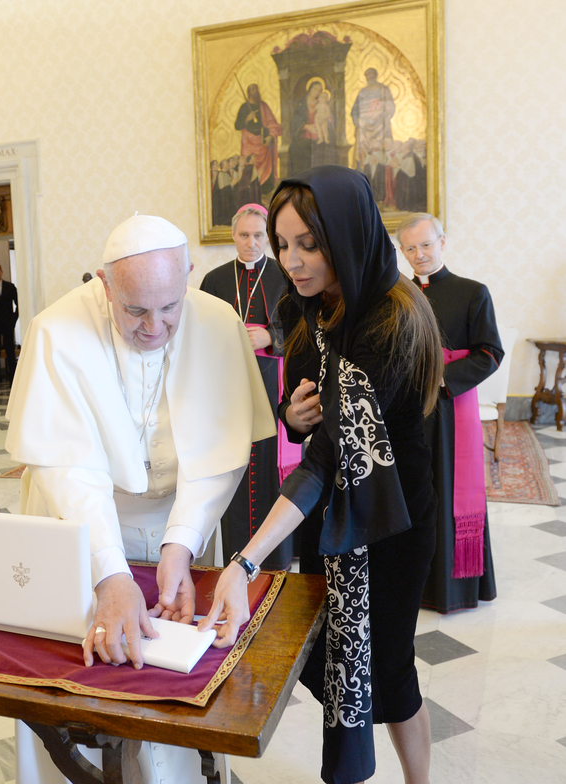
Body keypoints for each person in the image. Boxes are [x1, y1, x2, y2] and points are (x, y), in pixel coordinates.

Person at [5, 214, 275, 784]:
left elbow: (219, 453)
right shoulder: (58, 331)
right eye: (135, 311)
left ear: (189, 277)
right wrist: (110, 573)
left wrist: (181, 541)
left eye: (170, 306)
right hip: (79, 528)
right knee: (77, 673)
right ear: (105, 286)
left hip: (179, 517)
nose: (156, 326)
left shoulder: (218, 322)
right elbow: (70, 470)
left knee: (176, 669)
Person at [199, 165, 444, 784]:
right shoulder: (302, 309)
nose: (294, 260)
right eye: (283, 245)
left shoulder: (394, 320)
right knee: (332, 651)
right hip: (331, 518)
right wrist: (293, 412)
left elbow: (330, 452)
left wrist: (246, 560)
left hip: (391, 515)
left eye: (310, 244)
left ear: (348, 235)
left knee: (389, 661)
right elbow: (304, 416)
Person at [397, 213, 503, 614]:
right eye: (410, 247)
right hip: (405, 411)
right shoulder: (397, 293)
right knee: (412, 492)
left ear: (443, 242)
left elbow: (490, 352)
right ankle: (413, 585)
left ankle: (450, 590)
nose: (419, 254)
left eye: (426, 244)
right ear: (402, 251)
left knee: (447, 492)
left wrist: (440, 379)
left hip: (448, 409)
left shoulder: (473, 292)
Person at [200, 204, 294, 570]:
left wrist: (271, 336)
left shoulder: (286, 276)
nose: (251, 243)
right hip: (228, 388)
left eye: (258, 236)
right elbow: (201, 330)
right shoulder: (215, 280)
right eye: (244, 235)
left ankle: (276, 559)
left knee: (269, 470)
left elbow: (304, 325)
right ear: (234, 236)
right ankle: (235, 556)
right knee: (233, 467)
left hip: (273, 389)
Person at [234, 82, 282, 194]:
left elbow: (272, 123)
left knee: (265, 169)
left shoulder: (263, 106)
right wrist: (247, 119)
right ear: (248, 93)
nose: (254, 92)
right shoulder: (244, 107)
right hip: (248, 142)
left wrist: (270, 136)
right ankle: (249, 192)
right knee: (249, 166)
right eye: (252, 90)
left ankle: (265, 192)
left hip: (263, 142)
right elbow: (237, 125)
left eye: (256, 89)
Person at [351, 68, 396, 172]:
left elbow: (390, 107)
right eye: (367, 76)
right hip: (364, 128)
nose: (369, 78)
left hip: (380, 126)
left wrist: (380, 114)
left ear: (375, 76)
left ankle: (379, 176)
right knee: (361, 147)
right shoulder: (362, 92)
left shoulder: (383, 89)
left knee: (381, 150)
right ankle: (362, 172)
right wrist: (358, 120)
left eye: (371, 75)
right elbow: (355, 110)